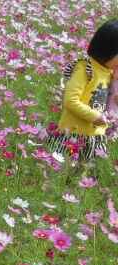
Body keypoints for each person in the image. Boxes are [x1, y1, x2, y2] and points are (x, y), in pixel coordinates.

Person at [47, 19, 118, 162]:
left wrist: (116, 81)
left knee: (86, 172)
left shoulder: (110, 73)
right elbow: (70, 101)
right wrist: (94, 116)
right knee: (63, 169)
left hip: (95, 138)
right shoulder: (86, 68)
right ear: (109, 50)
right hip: (73, 135)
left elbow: (113, 102)